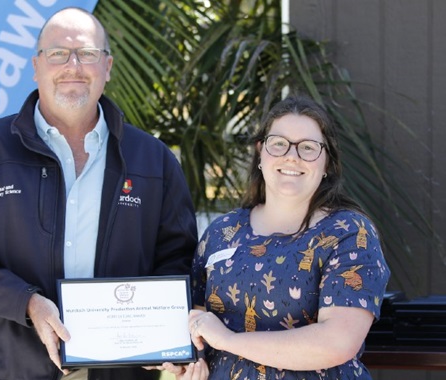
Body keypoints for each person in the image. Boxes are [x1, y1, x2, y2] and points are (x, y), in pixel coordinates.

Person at [0, 7, 197, 380]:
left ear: (108, 67)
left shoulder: (154, 161)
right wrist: (27, 302)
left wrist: (161, 334)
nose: (73, 66)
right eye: (57, 54)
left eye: (87, 54)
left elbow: (177, 260)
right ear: (36, 67)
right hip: (7, 369)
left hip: (120, 373)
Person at [162, 95, 391, 379]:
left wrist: (228, 341)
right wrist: (186, 361)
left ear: (328, 163)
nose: (291, 156)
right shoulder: (222, 232)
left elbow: (337, 342)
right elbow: (197, 326)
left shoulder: (348, 233)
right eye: (279, 143)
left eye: (308, 147)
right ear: (261, 152)